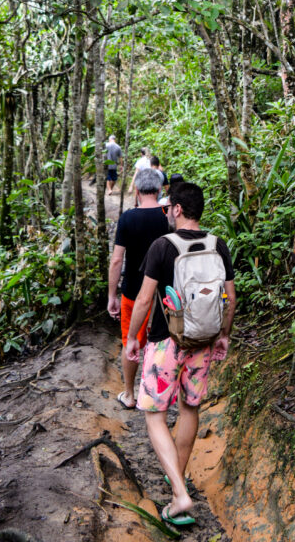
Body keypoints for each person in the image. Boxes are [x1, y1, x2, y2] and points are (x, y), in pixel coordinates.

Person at [126, 181, 235, 528]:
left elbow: (144, 300)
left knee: (154, 413)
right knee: (189, 407)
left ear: (176, 209)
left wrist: (132, 338)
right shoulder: (219, 245)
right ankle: (179, 487)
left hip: (165, 342)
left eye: (168, 207)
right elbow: (230, 298)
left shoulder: (163, 246)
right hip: (202, 342)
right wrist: (224, 335)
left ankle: (179, 492)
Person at [107, 166, 167, 409]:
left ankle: (130, 395)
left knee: (130, 342)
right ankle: (158, 391)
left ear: (138, 190)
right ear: (160, 189)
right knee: (160, 340)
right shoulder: (169, 216)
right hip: (163, 294)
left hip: (133, 291)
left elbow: (117, 260)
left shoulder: (128, 218)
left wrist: (112, 294)